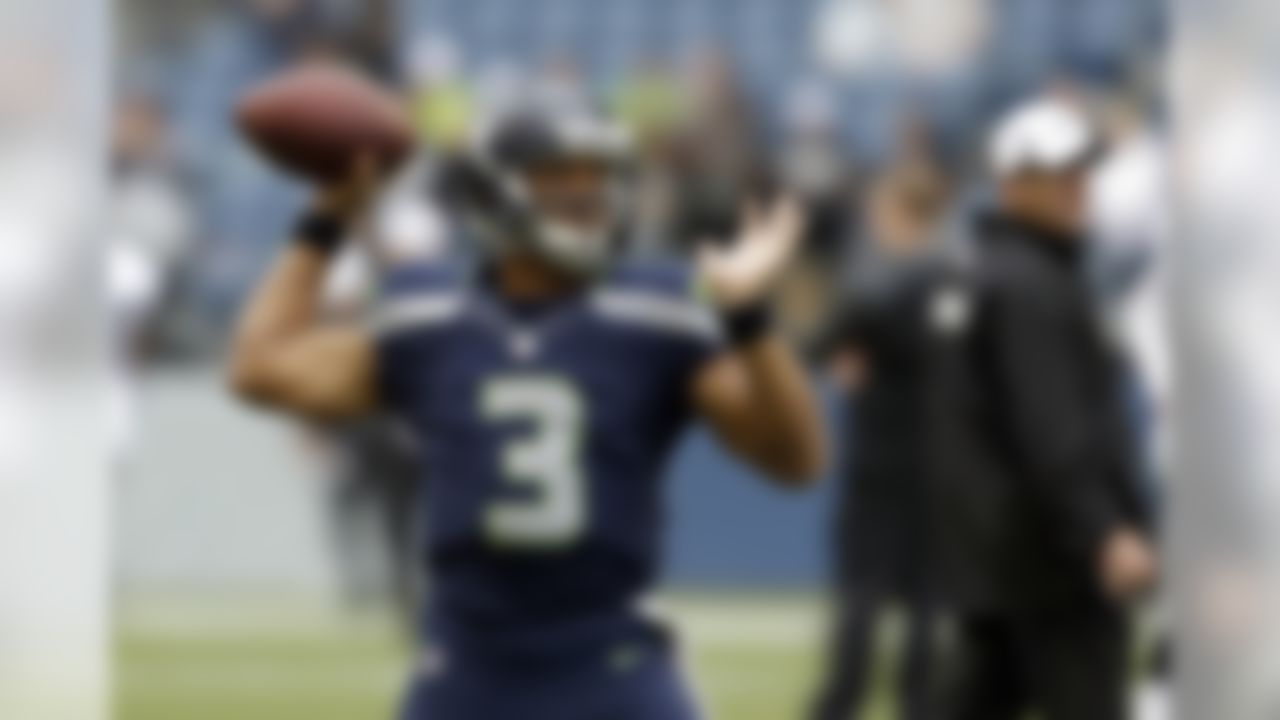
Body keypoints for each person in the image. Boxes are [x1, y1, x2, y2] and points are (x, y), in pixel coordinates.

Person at [227, 106, 826, 719]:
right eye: (558, 175)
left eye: (597, 175)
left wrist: (750, 317)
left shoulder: (655, 315)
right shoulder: (429, 316)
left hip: (610, 664)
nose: (587, 192)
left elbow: (797, 461)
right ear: (494, 192)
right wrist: (328, 217)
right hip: (467, 669)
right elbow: (260, 368)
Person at [930, 97, 1158, 720]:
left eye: (1081, 172)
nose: (1077, 188)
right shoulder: (1031, 284)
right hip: (1055, 565)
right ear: (1011, 185)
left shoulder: (984, 272)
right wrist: (1104, 529)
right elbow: (1053, 427)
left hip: (1002, 562)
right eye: (1057, 175)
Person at [810, 162, 950, 720]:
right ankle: (920, 706)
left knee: (861, 597)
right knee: (927, 603)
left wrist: (843, 358)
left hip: (879, 459)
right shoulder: (961, 280)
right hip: (941, 462)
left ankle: (839, 705)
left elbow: (816, 345)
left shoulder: (876, 290)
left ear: (898, 212)